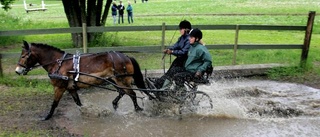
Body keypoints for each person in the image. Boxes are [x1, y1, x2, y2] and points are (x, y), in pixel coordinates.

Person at [154, 20, 192, 89]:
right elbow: (175, 46)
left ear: (186, 29)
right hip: (179, 60)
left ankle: (164, 88)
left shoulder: (189, 40)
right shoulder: (181, 38)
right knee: (169, 72)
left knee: (172, 72)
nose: (180, 30)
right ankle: (158, 84)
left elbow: (183, 52)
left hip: (184, 62)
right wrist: (168, 49)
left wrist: (172, 52)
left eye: (181, 29)